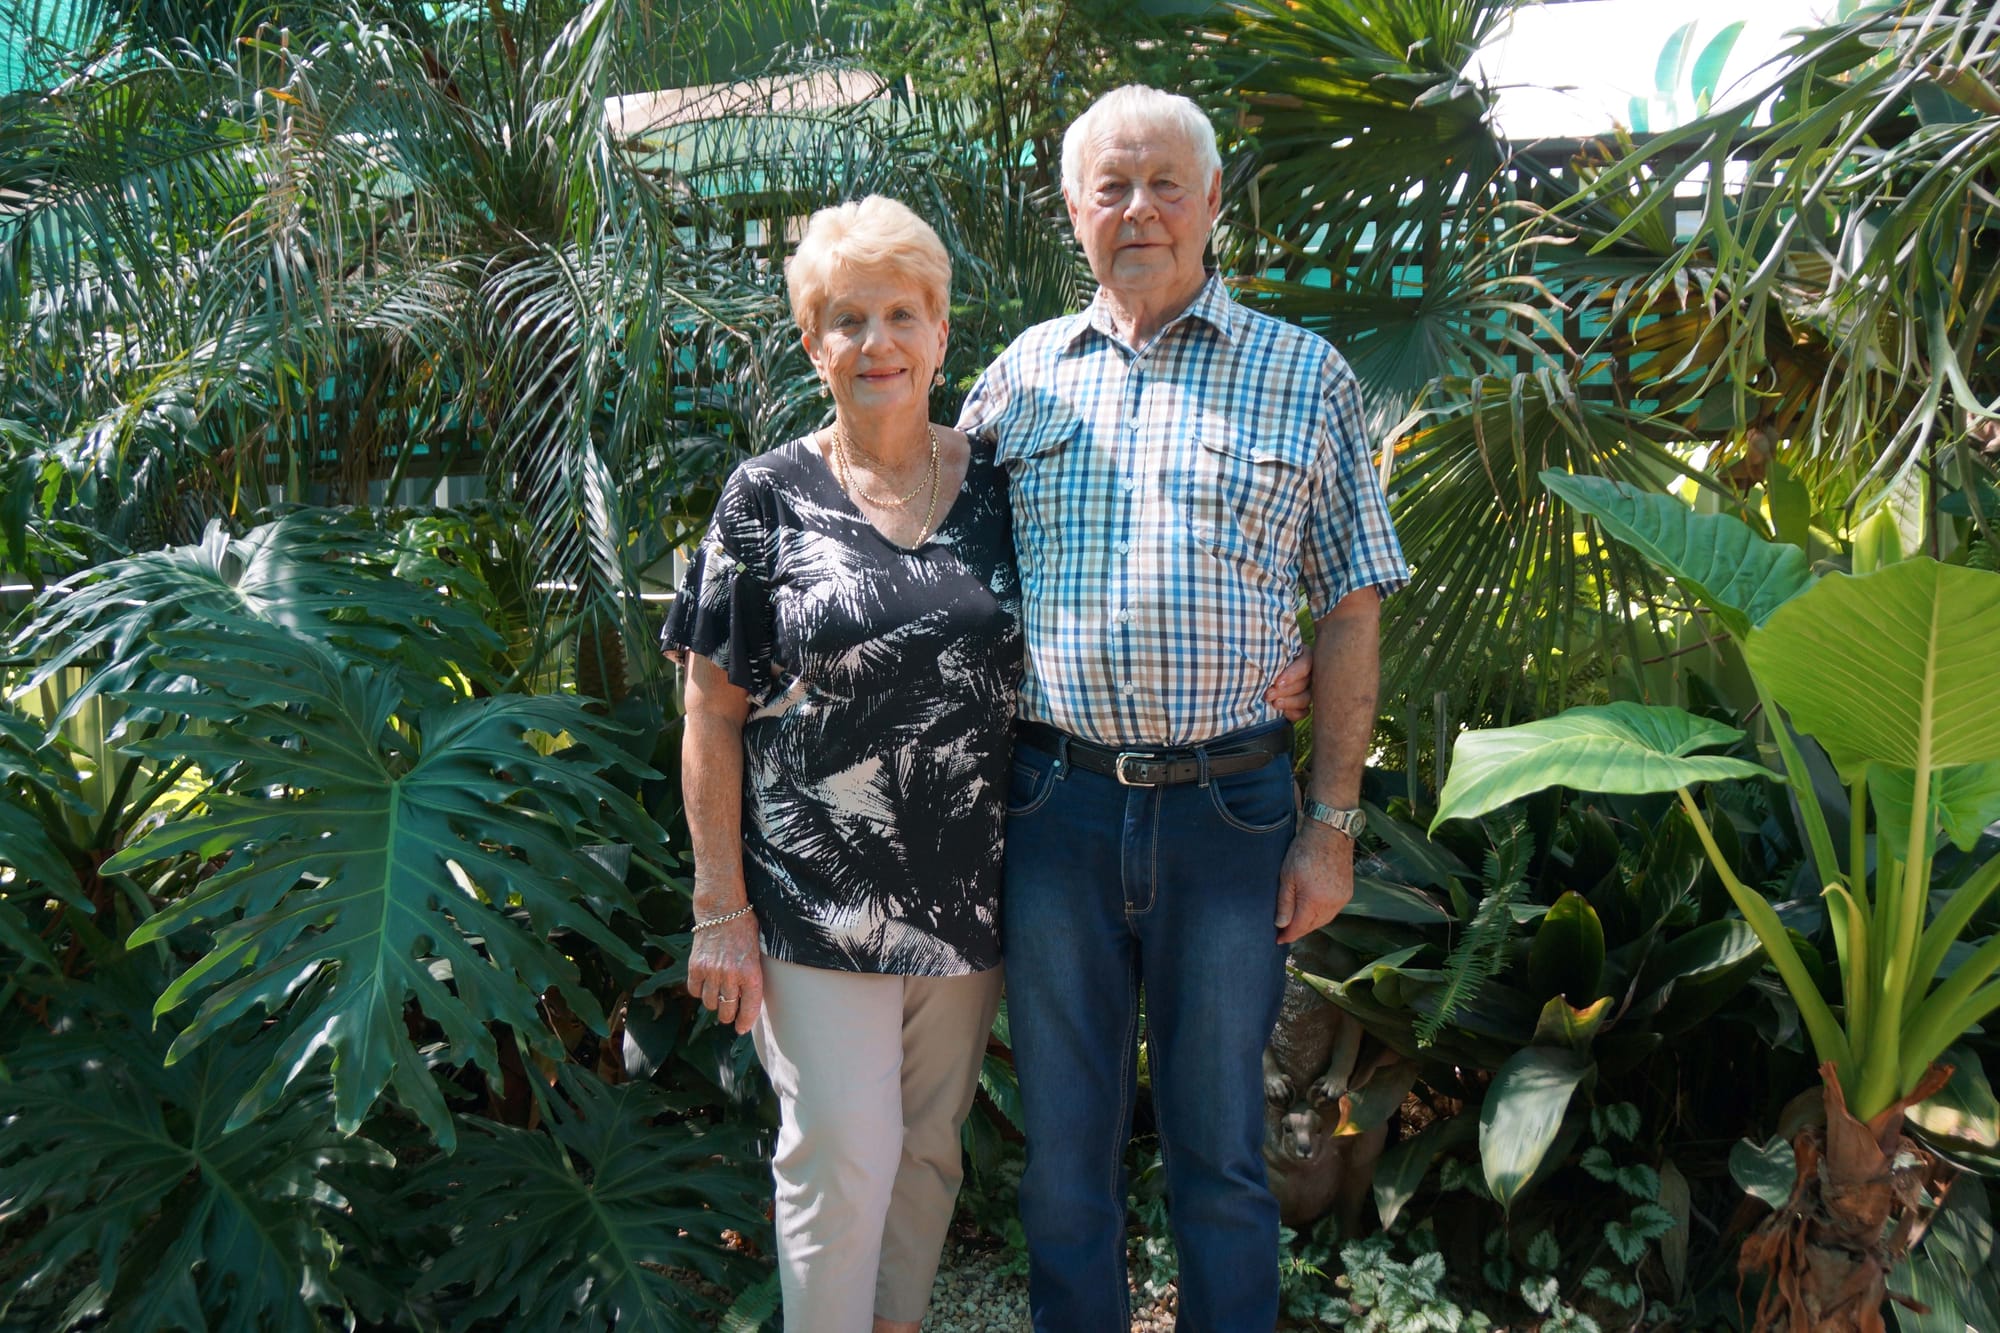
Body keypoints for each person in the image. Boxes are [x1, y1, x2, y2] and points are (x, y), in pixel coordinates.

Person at [957, 85, 1408, 1331]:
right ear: (1072, 210)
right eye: (1111, 185)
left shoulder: (1302, 373)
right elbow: (944, 581)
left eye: (1164, 184)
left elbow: (1353, 605)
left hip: (1229, 812)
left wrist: (1330, 819)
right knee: (1063, 1161)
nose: (1138, 208)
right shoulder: (1017, 381)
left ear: (1212, 201)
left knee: (1220, 1153)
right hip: (1053, 809)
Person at [665, 196, 1018, 1333]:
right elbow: (708, 708)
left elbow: (1112, 603)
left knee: (924, 1159)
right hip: (816, 894)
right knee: (840, 1157)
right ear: (813, 344)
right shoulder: (766, 496)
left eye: (901, 315)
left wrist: (1279, 669)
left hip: (969, 894)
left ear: (940, 333)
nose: (878, 344)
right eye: (848, 319)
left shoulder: (1003, 488)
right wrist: (718, 906)